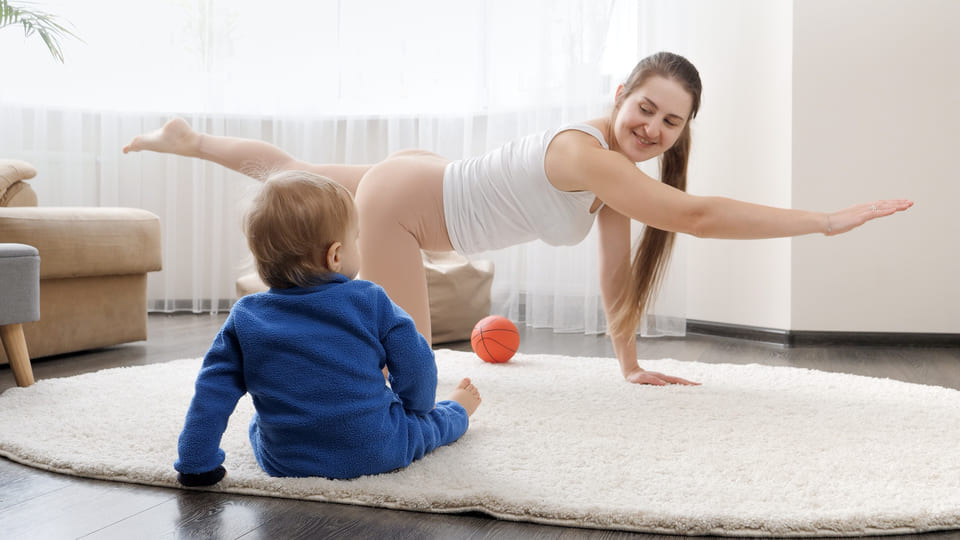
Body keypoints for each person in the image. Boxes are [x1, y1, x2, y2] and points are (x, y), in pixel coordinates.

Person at [125, 51, 912, 388]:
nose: (654, 129)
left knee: (288, 174)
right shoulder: (586, 154)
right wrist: (821, 221)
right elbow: (697, 215)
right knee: (410, 370)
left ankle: (189, 140)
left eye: (672, 123)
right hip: (409, 205)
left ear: (681, 130)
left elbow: (615, 269)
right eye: (646, 108)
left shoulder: (614, 179)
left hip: (426, 179)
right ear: (620, 98)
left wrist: (628, 362)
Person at [174, 171, 481, 486]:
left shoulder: (245, 317)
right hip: (378, 449)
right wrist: (418, 408)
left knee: (258, 425)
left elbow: (212, 393)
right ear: (335, 255)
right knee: (430, 426)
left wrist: (195, 460)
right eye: (356, 239)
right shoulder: (371, 300)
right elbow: (417, 365)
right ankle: (459, 409)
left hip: (285, 460)